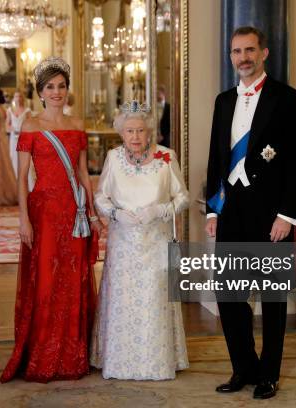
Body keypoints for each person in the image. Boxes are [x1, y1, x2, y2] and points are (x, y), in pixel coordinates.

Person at [205, 27, 296, 399]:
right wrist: (212, 209)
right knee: (229, 296)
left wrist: (287, 215)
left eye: (250, 50)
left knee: (272, 297)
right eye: (236, 51)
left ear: (264, 52)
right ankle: (244, 368)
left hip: (270, 214)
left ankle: (269, 374)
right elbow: (216, 158)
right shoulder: (222, 101)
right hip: (231, 209)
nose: (243, 57)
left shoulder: (286, 98)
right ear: (230, 56)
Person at [0, 56, 104, 383]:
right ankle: (44, 354)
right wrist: (23, 220)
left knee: (74, 280)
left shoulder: (77, 125)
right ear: (40, 92)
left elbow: (84, 173)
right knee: (46, 281)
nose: (56, 92)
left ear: (67, 90)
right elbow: (21, 178)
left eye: (61, 86)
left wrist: (92, 212)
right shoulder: (30, 125)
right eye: (50, 87)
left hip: (72, 214)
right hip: (43, 212)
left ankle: (72, 357)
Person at [90, 100, 189, 380]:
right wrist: (116, 213)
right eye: (130, 131)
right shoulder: (113, 158)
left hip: (156, 241)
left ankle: (156, 363)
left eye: (141, 131)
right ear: (121, 133)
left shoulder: (166, 157)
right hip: (123, 244)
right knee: (123, 303)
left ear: (150, 132)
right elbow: (100, 197)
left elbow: (182, 197)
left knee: (153, 300)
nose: (135, 137)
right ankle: (120, 363)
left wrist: (161, 210)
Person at [6, 90, 32, 178]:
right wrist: (12, 129)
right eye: (16, 96)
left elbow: (30, 124)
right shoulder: (10, 110)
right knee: (13, 157)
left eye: (20, 96)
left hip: (24, 137)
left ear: (23, 98)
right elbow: (7, 125)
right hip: (13, 138)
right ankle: (14, 180)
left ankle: (25, 180)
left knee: (24, 158)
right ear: (13, 98)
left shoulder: (27, 110)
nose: (18, 98)